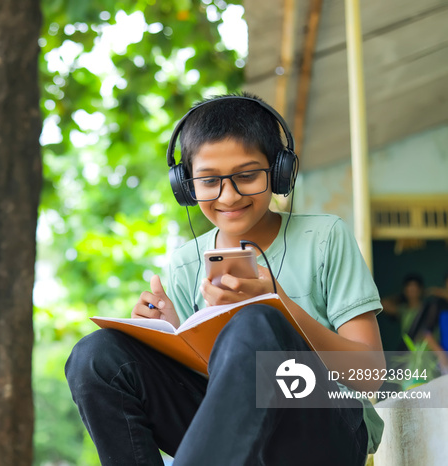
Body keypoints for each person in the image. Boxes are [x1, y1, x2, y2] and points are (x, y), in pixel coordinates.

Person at [65, 93, 385, 465]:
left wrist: (277, 305)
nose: (228, 196)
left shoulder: (326, 237)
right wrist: (172, 334)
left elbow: (371, 376)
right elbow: (211, 386)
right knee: (96, 356)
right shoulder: (186, 263)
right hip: (238, 439)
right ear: (186, 186)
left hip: (325, 429)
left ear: (279, 171)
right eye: (209, 181)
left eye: (247, 176)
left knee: (257, 322)